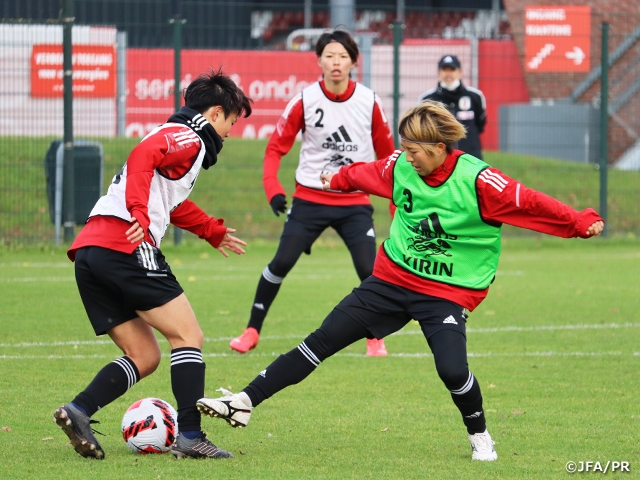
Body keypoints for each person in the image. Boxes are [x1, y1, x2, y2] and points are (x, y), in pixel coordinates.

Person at [196, 101, 604, 461]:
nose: (405, 158)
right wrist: (335, 180)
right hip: (390, 280)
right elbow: (366, 173)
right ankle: (245, 401)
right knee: (322, 338)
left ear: (439, 148)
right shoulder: (399, 166)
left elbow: (530, 202)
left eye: (413, 150)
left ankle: (480, 436)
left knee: (451, 369)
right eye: (403, 149)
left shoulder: (479, 181)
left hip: (446, 292)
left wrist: (580, 223)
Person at [53, 68, 252, 460]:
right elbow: (144, 157)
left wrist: (210, 230)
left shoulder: (176, 134)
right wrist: (139, 213)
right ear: (215, 113)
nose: (231, 131)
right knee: (189, 336)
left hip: (92, 252)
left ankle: (78, 410)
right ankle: (191, 436)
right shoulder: (189, 136)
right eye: (232, 121)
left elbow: (169, 201)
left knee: (145, 356)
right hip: (125, 246)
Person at [229, 29, 395, 357]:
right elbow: (275, 149)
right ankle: (251, 330)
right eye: (329, 56)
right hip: (310, 199)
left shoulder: (370, 101)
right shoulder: (304, 100)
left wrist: (395, 204)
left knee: (370, 270)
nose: (336, 62)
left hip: (354, 201)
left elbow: (389, 158)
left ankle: (375, 337)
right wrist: (273, 189)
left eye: (343, 56)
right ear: (318, 60)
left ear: (353, 62)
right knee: (281, 262)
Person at [419, 54, 486, 159]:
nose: (448, 74)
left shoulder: (475, 96)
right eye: (444, 69)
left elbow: (480, 125)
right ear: (439, 72)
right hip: (440, 160)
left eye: (452, 69)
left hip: (471, 159)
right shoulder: (427, 100)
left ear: (460, 72)